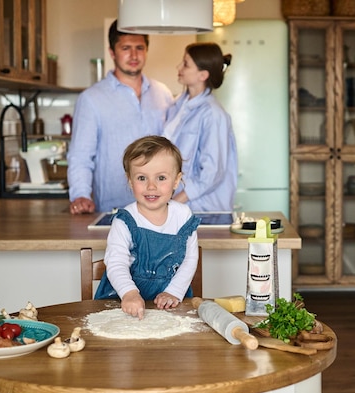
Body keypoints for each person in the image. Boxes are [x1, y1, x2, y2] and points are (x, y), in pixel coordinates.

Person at [68, 20, 173, 214]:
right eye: (126, 48)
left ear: (147, 50)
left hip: (161, 211)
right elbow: (81, 156)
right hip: (114, 210)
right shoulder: (92, 99)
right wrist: (80, 194)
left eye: (139, 48)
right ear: (112, 52)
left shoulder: (163, 93)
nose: (134, 55)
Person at [94, 136, 201, 320]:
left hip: (170, 303)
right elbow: (116, 262)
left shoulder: (183, 216)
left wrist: (174, 292)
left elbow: (190, 259)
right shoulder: (125, 221)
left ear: (176, 181)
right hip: (121, 302)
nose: (151, 186)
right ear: (130, 181)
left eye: (161, 178)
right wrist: (129, 293)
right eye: (142, 178)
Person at [163, 42, 238, 212]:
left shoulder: (213, 114)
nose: (179, 67)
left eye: (186, 64)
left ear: (203, 75)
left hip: (202, 210)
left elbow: (212, 173)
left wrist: (174, 203)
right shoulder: (178, 105)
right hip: (179, 207)